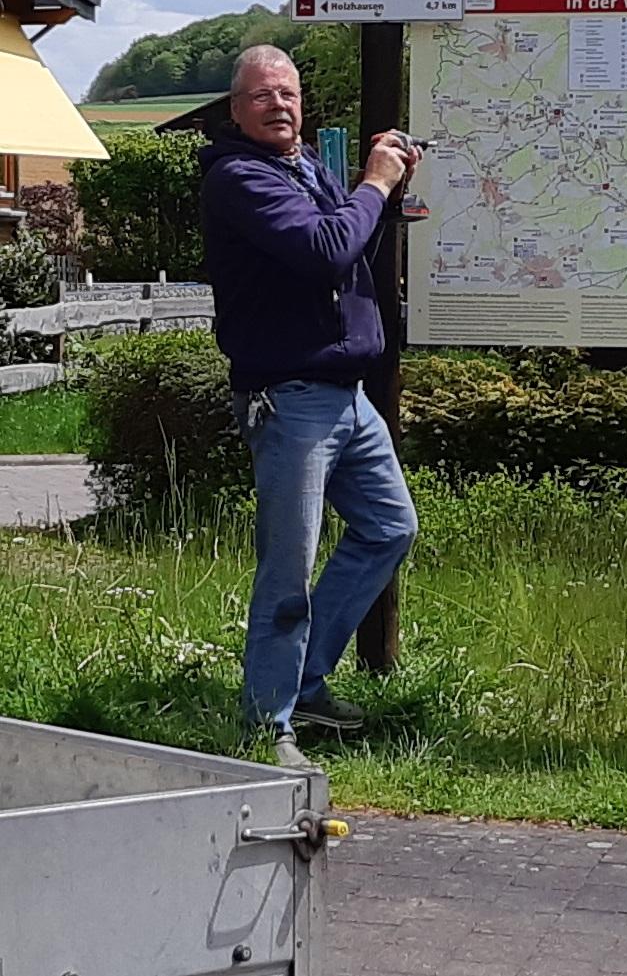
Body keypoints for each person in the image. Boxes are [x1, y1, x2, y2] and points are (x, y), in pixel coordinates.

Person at [199, 45, 420, 769]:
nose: (278, 105)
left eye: (288, 94)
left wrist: (383, 195)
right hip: (289, 399)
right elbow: (326, 248)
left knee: (389, 526)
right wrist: (374, 184)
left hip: (347, 397)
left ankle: (306, 681)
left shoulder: (305, 170)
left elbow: (349, 247)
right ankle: (268, 725)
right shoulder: (238, 177)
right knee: (287, 568)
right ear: (236, 110)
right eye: (261, 96)